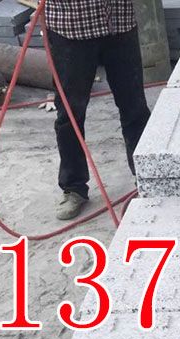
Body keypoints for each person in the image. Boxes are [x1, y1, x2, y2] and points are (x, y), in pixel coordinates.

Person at [46, 0, 151, 220]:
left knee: (135, 108)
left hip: (119, 23)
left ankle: (147, 177)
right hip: (72, 27)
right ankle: (74, 188)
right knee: (69, 115)